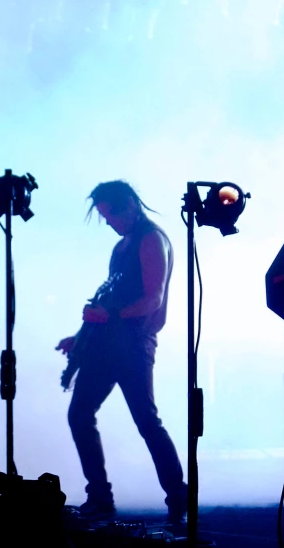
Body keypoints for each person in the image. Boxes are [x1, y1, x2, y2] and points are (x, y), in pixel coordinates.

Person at [56, 179, 187, 523]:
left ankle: (179, 499)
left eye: (110, 215)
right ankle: (100, 497)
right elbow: (109, 299)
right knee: (80, 414)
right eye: (103, 217)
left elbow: (152, 299)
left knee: (147, 421)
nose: (109, 223)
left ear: (129, 204)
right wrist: (80, 335)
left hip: (132, 346)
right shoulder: (122, 247)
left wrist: (109, 316)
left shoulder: (151, 240)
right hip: (104, 346)